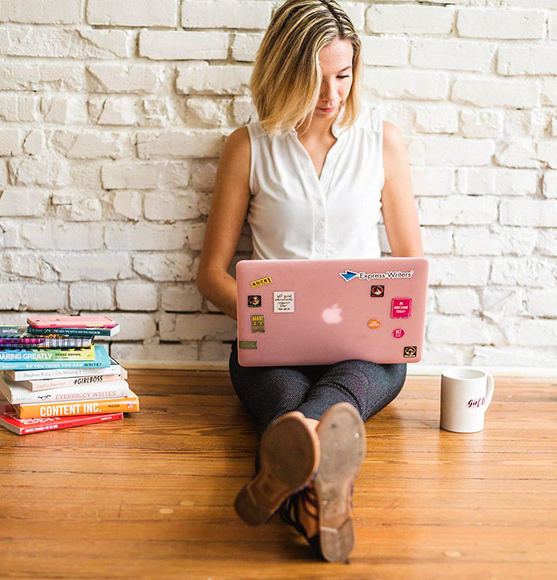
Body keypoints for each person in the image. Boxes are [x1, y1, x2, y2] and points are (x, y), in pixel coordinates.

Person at [196, 0, 423, 563]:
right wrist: (263, 319)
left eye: (342, 76)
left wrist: (398, 317)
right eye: (314, 77)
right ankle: (328, 496)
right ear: (283, 72)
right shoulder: (248, 147)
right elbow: (210, 275)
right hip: (271, 351)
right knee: (302, 403)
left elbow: (410, 266)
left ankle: (287, 480)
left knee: (312, 411)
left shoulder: (381, 142)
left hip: (366, 352)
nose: (330, 94)